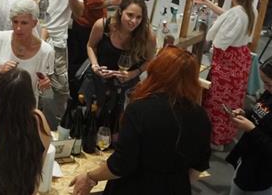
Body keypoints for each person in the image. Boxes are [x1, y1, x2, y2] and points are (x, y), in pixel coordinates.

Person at [70, 46, 211, 195]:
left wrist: (90, 176)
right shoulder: (201, 116)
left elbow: (121, 165)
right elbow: (197, 168)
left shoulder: (141, 109)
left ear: (157, 71)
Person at [194, 0, 256, 150]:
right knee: (231, 99)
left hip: (228, 62)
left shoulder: (237, 13)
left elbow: (220, 41)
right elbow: (227, 15)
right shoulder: (247, 9)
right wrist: (207, 2)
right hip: (239, 60)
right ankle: (224, 135)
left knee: (218, 99)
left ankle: (215, 139)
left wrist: (211, 46)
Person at [83, 0, 157, 124]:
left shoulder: (147, 36)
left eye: (139, 17)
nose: (133, 21)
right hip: (98, 81)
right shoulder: (103, 25)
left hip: (125, 87)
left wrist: (133, 73)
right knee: (88, 120)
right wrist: (95, 65)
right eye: (130, 15)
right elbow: (90, 46)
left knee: (117, 125)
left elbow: (150, 60)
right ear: (120, 11)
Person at [35, 0, 83, 123]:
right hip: (35, 37)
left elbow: (79, 13)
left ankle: (56, 125)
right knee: (34, 82)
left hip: (57, 41)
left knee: (59, 88)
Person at [0, 0, 54, 104]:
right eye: (15, 22)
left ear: (34, 23)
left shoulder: (46, 51)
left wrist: (44, 85)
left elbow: (44, 86)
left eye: (24, 23)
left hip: (26, 106)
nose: (18, 28)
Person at [226, 58, 272, 195]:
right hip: (247, 160)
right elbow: (261, 109)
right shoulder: (269, 93)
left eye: (268, 84)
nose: (265, 88)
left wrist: (252, 129)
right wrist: (245, 113)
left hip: (263, 174)